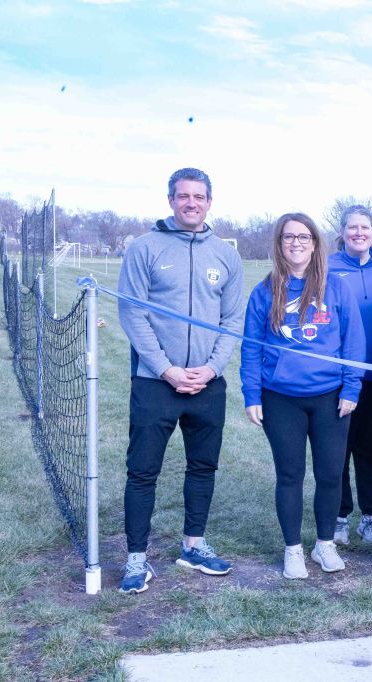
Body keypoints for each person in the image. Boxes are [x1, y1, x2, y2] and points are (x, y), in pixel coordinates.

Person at [117, 167, 244, 594]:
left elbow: (232, 319)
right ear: (171, 200)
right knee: (142, 471)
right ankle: (136, 559)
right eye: (183, 196)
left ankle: (194, 546)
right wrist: (166, 369)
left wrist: (211, 368)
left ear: (210, 202)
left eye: (199, 196)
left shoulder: (226, 255)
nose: (192, 203)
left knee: (203, 467)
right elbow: (132, 313)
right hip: (156, 382)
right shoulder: (144, 248)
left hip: (207, 384)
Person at [240, 213, 365, 578]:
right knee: (290, 474)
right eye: (288, 237)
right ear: (279, 244)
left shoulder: (335, 287)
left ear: (315, 244)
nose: (296, 243)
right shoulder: (264, 291)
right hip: (281, 398)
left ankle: (324, 544)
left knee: (330, 474)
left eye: (303, 237)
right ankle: (292, 549)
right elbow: (251, 348)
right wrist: (252, 395)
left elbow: (354, 342)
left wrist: (351, 387)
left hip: (330, 398)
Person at [327, 206, 372, 547]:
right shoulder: (326, 267)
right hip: (339, 378)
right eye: (352, 227)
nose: (359, 233)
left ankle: (370, 517)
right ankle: (339, 517)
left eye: (365, 227)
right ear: (342, 232)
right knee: (339, 450)